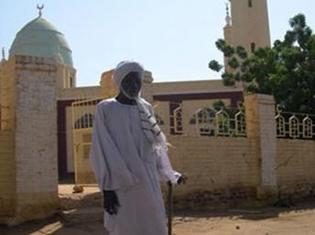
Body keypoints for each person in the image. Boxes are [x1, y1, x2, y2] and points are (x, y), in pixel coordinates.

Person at [90, 61, 185, 235]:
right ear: (119, 82)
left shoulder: (146, 108)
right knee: (126, 227)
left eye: (137, 81)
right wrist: (108, 188)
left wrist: (172, 175)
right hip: (122, 185)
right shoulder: (106, 109)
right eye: (129, 81)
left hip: (148, 183)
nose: (134, 85)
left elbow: (155, 148)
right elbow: (102, 150)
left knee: (153, 226)